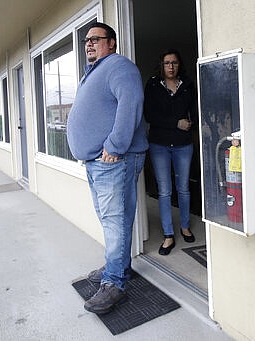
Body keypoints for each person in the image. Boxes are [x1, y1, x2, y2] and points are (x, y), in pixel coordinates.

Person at [66, 22, 148, 314]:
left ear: (111, 42)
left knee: (114, 220)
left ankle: (114, 283)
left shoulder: (119, 66)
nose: (88, 44)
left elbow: (132, 103)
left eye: (95, 39)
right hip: (98, 162)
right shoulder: (95, 71)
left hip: (115, 160)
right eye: (86, 40)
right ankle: (118, 267)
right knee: (113, 219)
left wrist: (115, 146)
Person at [143, 49, 196, 256]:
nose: (171, 66)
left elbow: (194, 109)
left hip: (183, 144)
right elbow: (149, 115)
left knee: (183, 188)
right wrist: (176, 123)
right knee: (164, 191)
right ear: (162, 65)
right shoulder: (154, 85)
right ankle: (168, 235)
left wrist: (193, 125)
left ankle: (184, 226)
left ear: (179, 64)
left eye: (174, 62)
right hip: (160, 145)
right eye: (167, 63)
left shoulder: (187, 85)